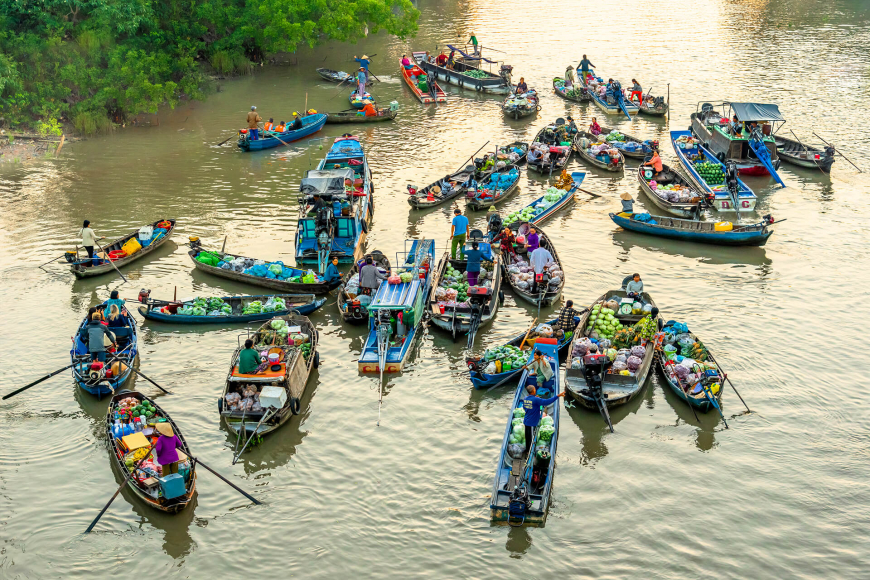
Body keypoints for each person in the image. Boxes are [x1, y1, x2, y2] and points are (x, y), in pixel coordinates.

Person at [520, 358, 564, 454]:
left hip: (526, 421)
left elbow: (525, 408)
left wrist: (535, 404)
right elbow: (547, 402)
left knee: (527, 436)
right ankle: (529, 452)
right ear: (533, 391)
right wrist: (558, 395)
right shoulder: (536, 400)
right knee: (532, 438)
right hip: (532, 423)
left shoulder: (526, 399)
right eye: (534, 390)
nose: (535, 390)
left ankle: (527, 449)